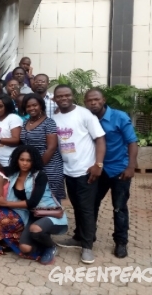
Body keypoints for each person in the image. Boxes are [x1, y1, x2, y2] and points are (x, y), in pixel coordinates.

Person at [52, 85, 106, 264]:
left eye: (67, 95)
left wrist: (98, 164)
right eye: (60, 96)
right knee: (76, 205)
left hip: (86, 170)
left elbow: (100, 139)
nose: (64, 98)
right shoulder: (55, 117)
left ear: (73, 96)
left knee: (86, 208)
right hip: (68, 171)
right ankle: (78, 237)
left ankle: (87, 247)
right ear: (55, 99)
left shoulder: (84, 114)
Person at [85, 88, 138, 259]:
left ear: (103, 99)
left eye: (96, 99)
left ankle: (121, 242)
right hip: (97, 171)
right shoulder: (87, 118)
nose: (93, 102)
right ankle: (89, 238)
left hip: (119, 171)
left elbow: (132, 142)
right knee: (91, 205)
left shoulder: (119, 117)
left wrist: (131, 167)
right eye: (89, 100)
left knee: (119, 208)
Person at [0, 146, 68, 265]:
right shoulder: (13, 174)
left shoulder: (40, 176)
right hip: (33, 216)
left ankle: (50, 246)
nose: (25, 163)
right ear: (17, 159)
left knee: (35, 229)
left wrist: (6, 203)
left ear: (34, 161)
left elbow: (32, 203)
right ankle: (41, 236)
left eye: (29, 160)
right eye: (22, 160)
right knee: (25, 248)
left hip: (49, 213)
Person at [20, 94, 65, 200]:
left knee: (50, 199)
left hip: (49, 166)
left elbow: (52, 148)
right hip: (31, 165)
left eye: (34, 105)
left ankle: (54, 216)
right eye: (28, 106)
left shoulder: (49, 123)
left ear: (41, 105)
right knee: (34, 196)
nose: (31, 108)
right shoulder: (25, 122)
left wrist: (37, 166)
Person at [0, 94, 22, 169]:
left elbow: (16, 140)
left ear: (7, 105)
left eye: (0, 106)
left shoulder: (13, 118)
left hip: (10, 160)